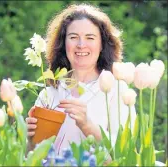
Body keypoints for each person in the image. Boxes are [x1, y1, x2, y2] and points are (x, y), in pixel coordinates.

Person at [26, 3, 136, 156]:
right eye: (73, 37)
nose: (81, 45)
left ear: (102, 45)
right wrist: (31, 140)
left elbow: (124, 154)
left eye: (90, 38)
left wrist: (87, 125)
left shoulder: (118, 92)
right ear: (63, 44)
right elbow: (31, 157)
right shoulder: (49, 93)